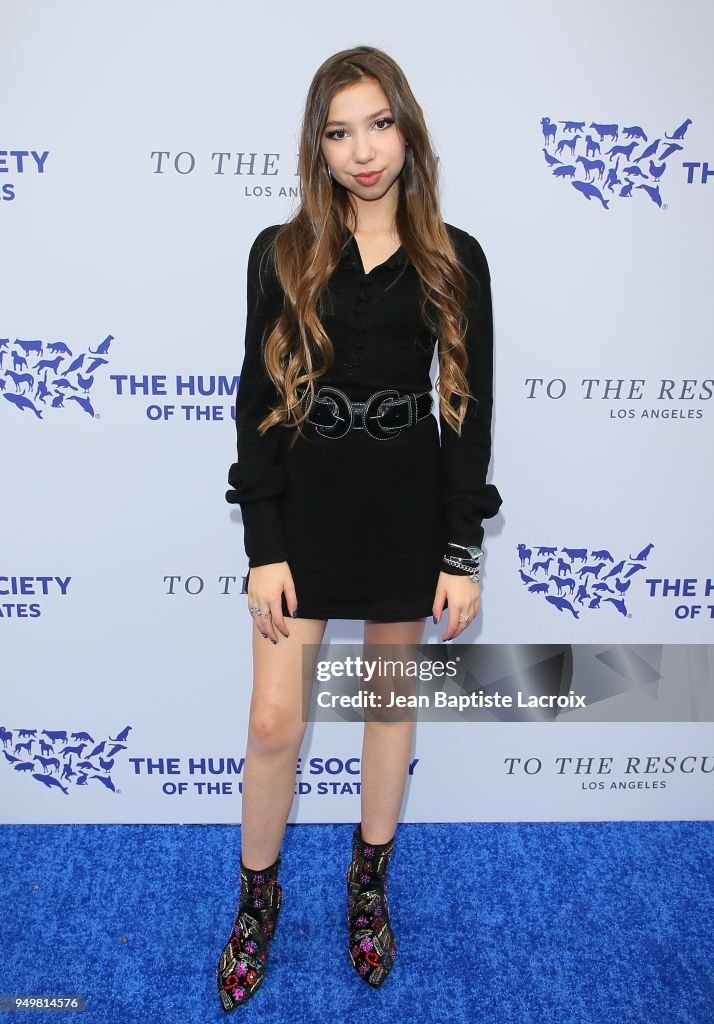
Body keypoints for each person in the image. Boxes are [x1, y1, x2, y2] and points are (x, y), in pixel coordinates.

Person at [216, 44, 503, 1011]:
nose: (363, 150)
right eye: (339, 132)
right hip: (306, 515)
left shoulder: (456, 258)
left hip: (405, 519)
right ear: (317, 147)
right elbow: (256, 401)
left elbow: (467, 409)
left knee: (388, 707)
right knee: (273, 721)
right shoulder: (281, 251)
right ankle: (258, 899)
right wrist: (264, 543)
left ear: (407, 129)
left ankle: (367, 886)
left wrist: (460, 551)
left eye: (378, 124)